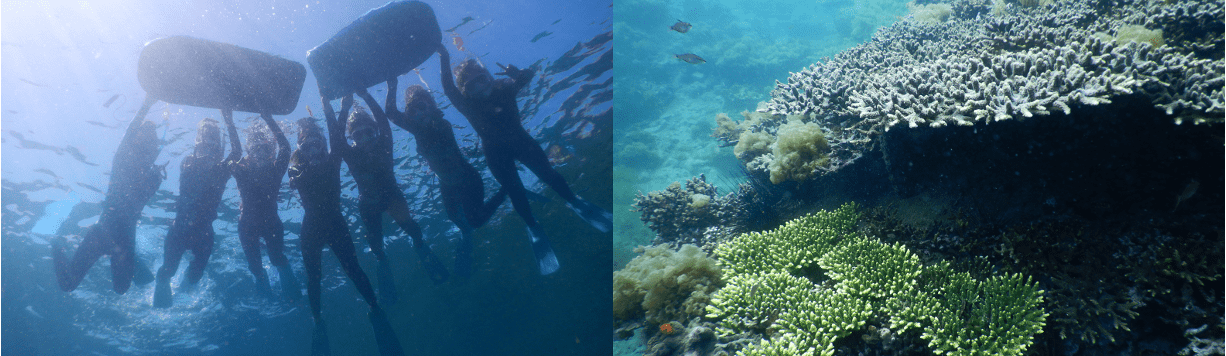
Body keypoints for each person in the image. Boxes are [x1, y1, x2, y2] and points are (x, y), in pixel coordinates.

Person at [435, 43, 613, 275]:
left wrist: (517, 74)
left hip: (523, 143)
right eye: (472, 84)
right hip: (496, 155)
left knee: (550, 175)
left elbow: (527, 76)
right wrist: (444, 55)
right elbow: (449, 89)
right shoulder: (467, 105)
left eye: (482, 78)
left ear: (489, 76)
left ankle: (574, 201)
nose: (480, 85)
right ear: (466, 91)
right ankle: (533, 226)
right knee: (516, 192)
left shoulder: (503, 88)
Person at [289, 100, 402, 356]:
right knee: (314, 278)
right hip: (311, 229)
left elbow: (337, 128)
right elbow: (294, 174)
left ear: (325, 146)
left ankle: (374, 307)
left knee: (353, 269)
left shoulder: (333, 160)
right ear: (301, 150)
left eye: (318, 145)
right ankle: (318, 320)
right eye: (308, 147)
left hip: (336, 224)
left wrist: (341, 102)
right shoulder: (296, 168)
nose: (314, 151)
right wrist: (297, 175)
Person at [383, 80, 508, 280]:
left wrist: (416, 112)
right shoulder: (417, 128)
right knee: (455, 219)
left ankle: (505, 191)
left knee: (475, 220)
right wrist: (392, 82)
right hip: (447, 184)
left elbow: (400, 116)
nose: (419, 115)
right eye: (413, 111)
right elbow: (390, 111)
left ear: (432, 107)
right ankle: (466, 237)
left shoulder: (440, 124)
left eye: (422, 108)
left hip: (467, 179)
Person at [338, 90, 450, 302]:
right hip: (368, 204)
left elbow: (382, 118)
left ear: (377, 132)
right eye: (357, 135)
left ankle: (421, 247)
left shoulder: (384, 142)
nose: (364, 139)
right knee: (376, 243)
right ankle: (382, 262)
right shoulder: (350, 154)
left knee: (412, 229)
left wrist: (366, 96)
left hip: (392, 198)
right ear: (351, 139)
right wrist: (343, 109)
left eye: (368, 133)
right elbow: (336, 136)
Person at [53, 98, 163, 294]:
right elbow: (131, 132)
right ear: (136, 141)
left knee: (122, 289)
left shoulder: (153, 175)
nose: (148, 147)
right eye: (144, 139)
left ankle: (136, 264)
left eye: (151, 143)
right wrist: (146, 103)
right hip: (103, 233)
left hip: (125, 239)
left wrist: (155, 176)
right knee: (68, 285)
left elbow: (142, 198)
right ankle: (56, 244)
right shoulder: (122, 159)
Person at [153, 114, 241, 308]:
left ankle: (180, 297)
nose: (207, 155)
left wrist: (229, 120)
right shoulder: (188, 163)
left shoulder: (221, 172)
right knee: (167, 271)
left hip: (204, 234)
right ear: (196, 148)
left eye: (213, 150)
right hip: (179, 230)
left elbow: (237, 153)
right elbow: (199, 161)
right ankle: (159, 302)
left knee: (196, 274)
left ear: (218, 152)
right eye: (203, 149)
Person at [232, 114, 300, 300]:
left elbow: (285, 147)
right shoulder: (242, 171)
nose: (260, 155)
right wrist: (229, 120)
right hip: (247, 226)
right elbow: (235, 152)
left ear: (271, 152)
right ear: (250, 153)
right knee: (255, 267)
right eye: (256, 151)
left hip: (271, 225)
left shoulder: (276, 170)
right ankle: (263, 287)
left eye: (265, 150)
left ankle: (287, 280)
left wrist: (268, 118)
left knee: (277, 258)